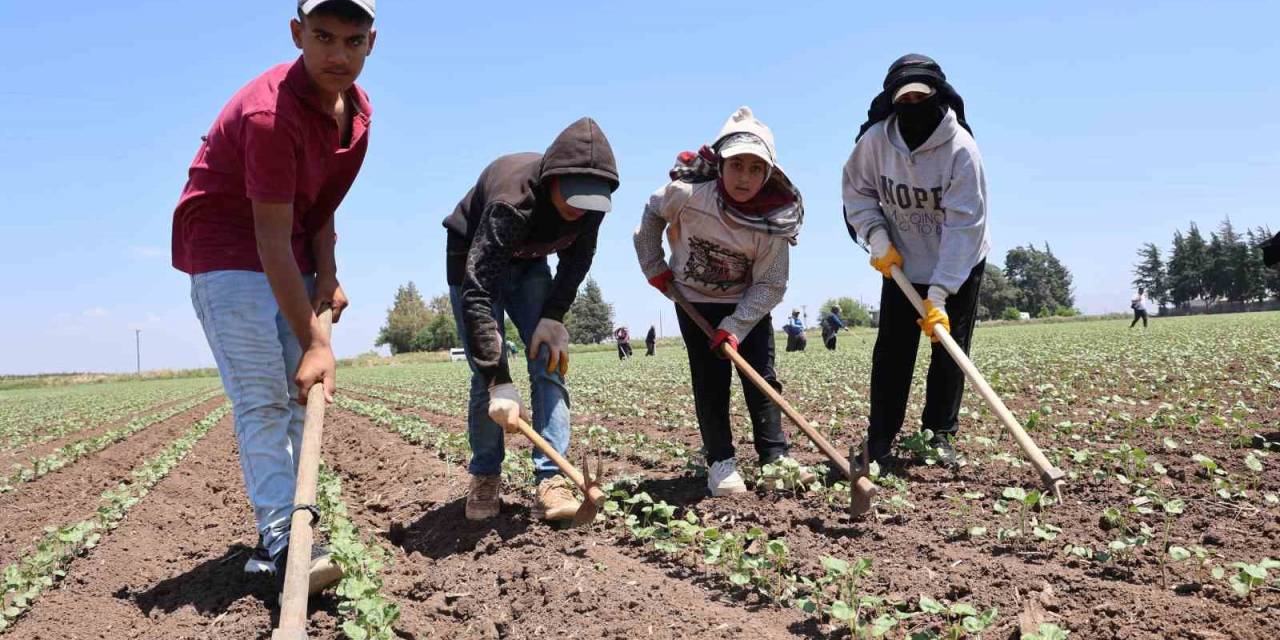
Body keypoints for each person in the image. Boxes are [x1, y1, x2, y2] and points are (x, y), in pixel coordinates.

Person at [170, 0, 376, 590]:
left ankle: (283, 534)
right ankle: (287, 542)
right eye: (323, 37)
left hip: (288, 247)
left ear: (371, 43)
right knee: (262, 397)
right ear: (297, 35)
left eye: (352, 41)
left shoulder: (357, 113)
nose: (338, 54)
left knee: (296, 396)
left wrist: (329, 274)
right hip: (227, 250)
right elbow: (268, 238)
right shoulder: (269, 113)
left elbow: (321, 208)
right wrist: (316, 341)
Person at [444, 117, 619, 522]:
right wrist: (498, 379)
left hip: (529, 260)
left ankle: (551, 479)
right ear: (551, 179)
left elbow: (578, 260)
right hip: (474, 260)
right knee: (485, 377)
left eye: (589, 202)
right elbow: (478, 292)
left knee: (549, 359)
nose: (579, 210)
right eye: (572, 198)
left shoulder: (592, 204)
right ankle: (485, 475)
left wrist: (552, 316)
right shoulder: (513, 201)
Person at [635, 106, 811, 496]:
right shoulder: (688, 195)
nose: (744, 177)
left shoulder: (773, 222)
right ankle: (720, 461)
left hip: (747, 305)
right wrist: (654, 265)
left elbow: (771, 285)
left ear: (768, 173)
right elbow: (650, 216)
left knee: (761, 378)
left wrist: (734, 327)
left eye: (755, 168)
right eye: (737, 166)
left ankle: (774, 457)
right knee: (710, 380)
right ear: (720, 165)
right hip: (694, 300)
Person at [842, 53, 989, 469]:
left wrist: (940, 293)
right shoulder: (874, 142)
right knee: (893, 350)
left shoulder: (961, 149)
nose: (912, 109)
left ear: (938, 98)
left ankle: (939, 435)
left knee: (949, 349)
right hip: (900, 260)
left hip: (958, 264)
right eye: (903, 101)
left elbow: (966, 226)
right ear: (891, 102)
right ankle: (881, 437)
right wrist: (876, 235)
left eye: (921, 99)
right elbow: (858, 192)